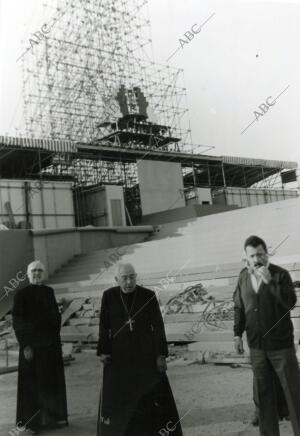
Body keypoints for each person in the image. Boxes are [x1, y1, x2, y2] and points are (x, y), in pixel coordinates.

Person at [97, 262, 182, 436]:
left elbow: (158, 326)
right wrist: (104, 350)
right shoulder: (109, 296)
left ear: (136, 277)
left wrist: (161, 355)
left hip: (145, 355)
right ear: (116, 280)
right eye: (124, 278)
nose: (128, 282)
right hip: (119, 356)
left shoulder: (148, 296)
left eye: (132, 277)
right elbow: (104, 326)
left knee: (149, 397)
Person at [233, 235, 300, 436]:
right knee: (264, 397)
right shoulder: (243, 276)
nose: (257, 259)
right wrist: (237, 334)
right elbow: (238, 307)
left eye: (260, 254)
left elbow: (290, 302)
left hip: (281, 347)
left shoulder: (280, 275)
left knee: (294, 395)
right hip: (257, 347)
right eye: (252, 255)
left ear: (267, 254)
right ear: (246, 257)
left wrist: (271, 283)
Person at [12, 260, 68, 434]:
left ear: (43, 273)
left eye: (39, 271)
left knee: (50, 383)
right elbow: (18, 322)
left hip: (49, 346)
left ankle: (52, 418)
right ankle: (31, 423)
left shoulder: (48, 292)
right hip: (31, 348)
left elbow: (55, 317)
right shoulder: (21, 294)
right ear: (28, 274)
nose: (36, 273)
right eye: (33, 271)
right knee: (32, 385)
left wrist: (54, 340)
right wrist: (26, 345)